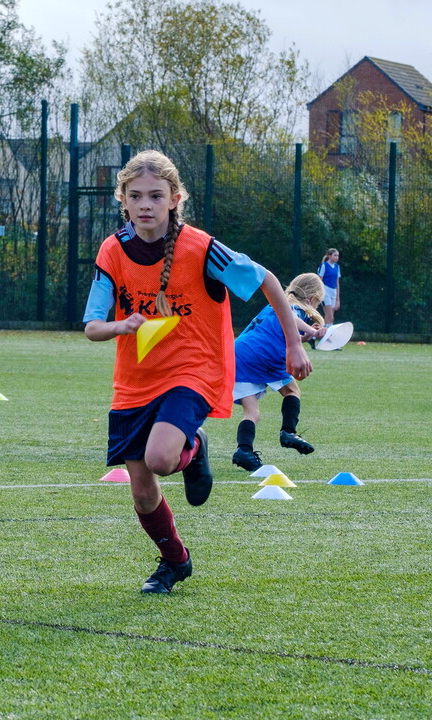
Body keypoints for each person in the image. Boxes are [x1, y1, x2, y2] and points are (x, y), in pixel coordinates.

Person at [82, 150, 313, 594]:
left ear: (175, 198)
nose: (145, 204)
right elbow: (92, 327)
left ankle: (193, 443)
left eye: (155, 195)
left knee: (161, 457)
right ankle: (175, 562)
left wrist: (292, 342)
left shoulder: (202, 248)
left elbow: (266, 280)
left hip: (195, 370)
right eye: (135, 196)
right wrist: (121, 325)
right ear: (123, 201)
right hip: (135, 379)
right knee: (143, 493)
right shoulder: (113, 251)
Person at [231, 272, 326, 471]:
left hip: (238, 355)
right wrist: (313, 331)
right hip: (264, 355)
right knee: (292, 391)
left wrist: (306, 336)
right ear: (312, 298)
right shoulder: (291, 306)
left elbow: (286, 333)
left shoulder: (274, 303)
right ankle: (288, 432)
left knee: (252, 412)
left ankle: (244, 451)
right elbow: (290, 318)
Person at [317, 248, 341, 326]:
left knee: (329, 318)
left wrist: (338, 299)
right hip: (325, 292)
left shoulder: (337, 267)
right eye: (335, 255)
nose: (337, 257)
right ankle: (327, 337)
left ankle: (314, 335)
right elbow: (319, 280)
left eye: (338, 255)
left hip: (333, 292)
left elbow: (337, 283)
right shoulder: (324, 265)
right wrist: (320, 293)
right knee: (330, 316)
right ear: (329, 256)